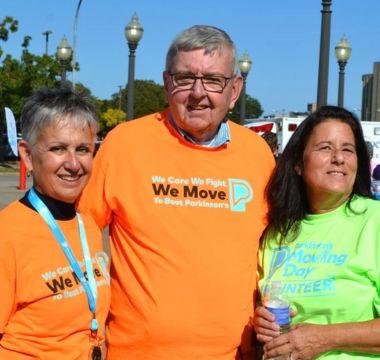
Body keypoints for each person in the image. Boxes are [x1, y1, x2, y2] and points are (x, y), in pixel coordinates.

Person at [79, 25, 275, 359]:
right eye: (185, 78)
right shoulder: (124, 144)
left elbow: (275, 249)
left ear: (235, 89)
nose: (198, 93)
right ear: (168, 83)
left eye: (213, 80)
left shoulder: (258, 156)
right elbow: (77, 232)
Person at [253, 106, 380, 359]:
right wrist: (261, 322)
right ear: (298, 163)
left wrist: (323, 338)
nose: (338, 158)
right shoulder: (276, 232)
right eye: (325, 148)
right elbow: (266, 306)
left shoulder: (374, 220)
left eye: (348, 149)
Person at [0, 85, 111, 359]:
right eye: (58, 148)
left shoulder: (89, 225)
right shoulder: (7, 235)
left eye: (83, 149)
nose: (73, 164)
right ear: (27, 155)